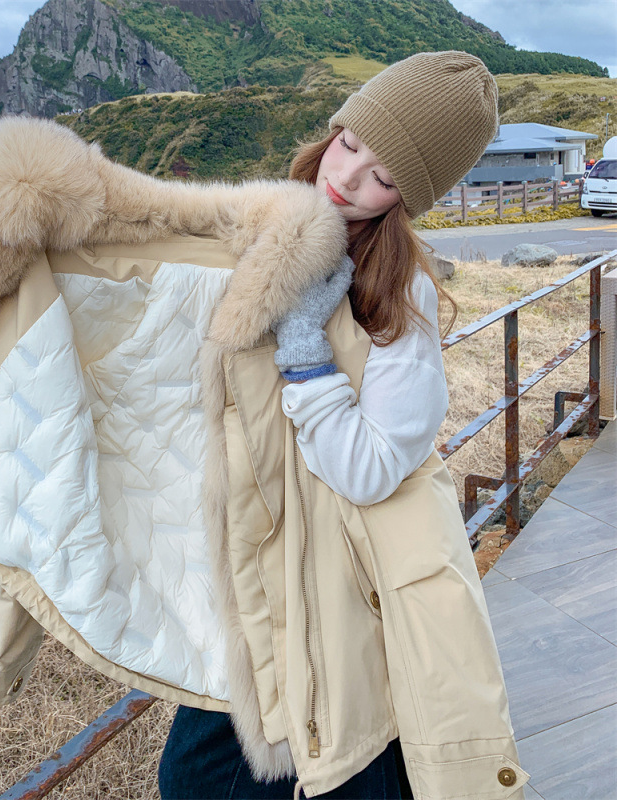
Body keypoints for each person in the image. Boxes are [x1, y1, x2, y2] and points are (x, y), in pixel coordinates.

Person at [158, 51, 522, 799]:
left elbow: (370, 467)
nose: (348, 176)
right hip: (260, 560)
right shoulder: (264, 225)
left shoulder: (401, 293)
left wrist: (306, 354)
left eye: (382, 175)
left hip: (344, 581)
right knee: (198, 773)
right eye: (349, 141)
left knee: (323, 765)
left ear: (409, 197)